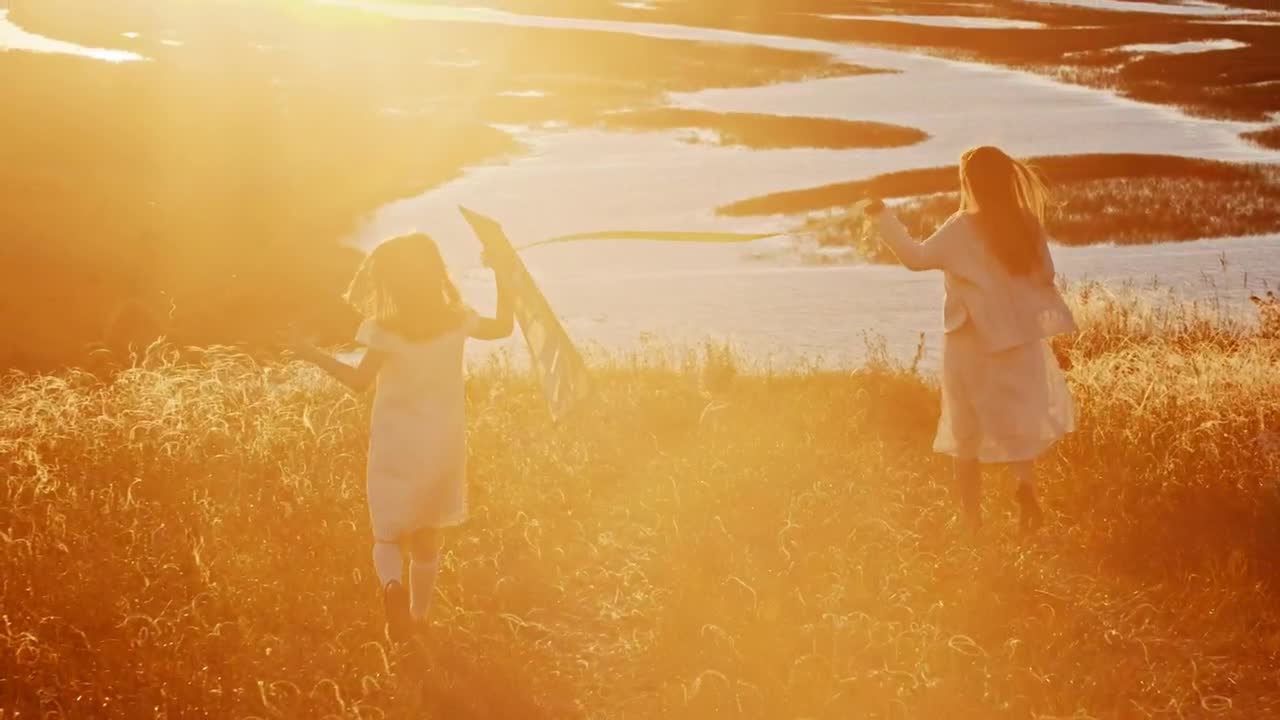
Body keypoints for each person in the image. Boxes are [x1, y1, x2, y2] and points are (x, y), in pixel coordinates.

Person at [292, 233, 514, 641]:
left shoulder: (385, 331)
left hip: (396, 443)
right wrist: (503, 271)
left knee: (388, 533)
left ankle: (392, 587)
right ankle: (419, 618)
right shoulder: (459, 319)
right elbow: (503, 326)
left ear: (392, 283)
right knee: (428, 533)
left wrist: (312, 354)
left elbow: (358, 381)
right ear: (436, 274)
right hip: (442, 442)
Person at [861, 146, 1076, 532]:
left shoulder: (961, 228)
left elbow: (916, 257)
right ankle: (1025, 487)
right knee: (1018, 422)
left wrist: (881, 217)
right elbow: (1045, 274)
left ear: (970, 183)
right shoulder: (1025, 223)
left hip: (971, 343)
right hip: (1019, 340)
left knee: (965, 431)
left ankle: (971, 521)